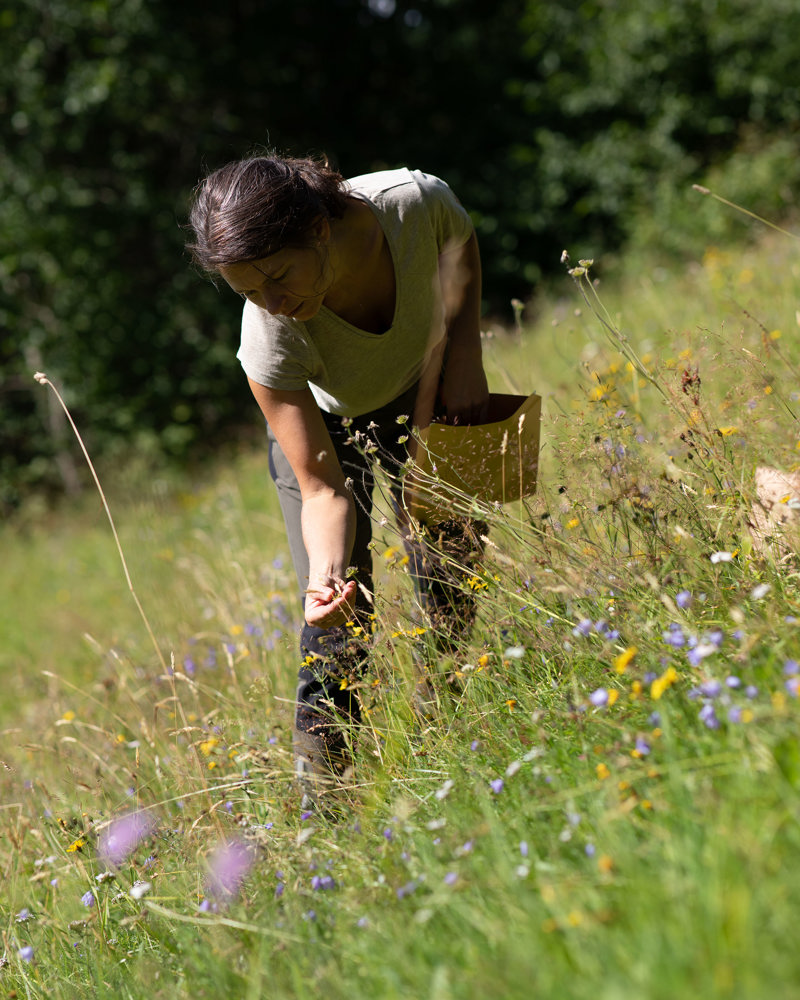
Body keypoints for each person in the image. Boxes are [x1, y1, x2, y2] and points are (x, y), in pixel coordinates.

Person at [187, 153, 489, 803]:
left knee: (456, 566)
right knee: (337, 624)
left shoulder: (416, 201)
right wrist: (326, 580)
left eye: (277, 276)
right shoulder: (267, 340)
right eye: (248, 291)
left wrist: (467, 358)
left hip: (426, 385)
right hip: (325, 432)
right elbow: (322, 488)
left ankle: (450, 733)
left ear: (319, 231)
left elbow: (461, 244)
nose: (274, 303)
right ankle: (326, 811)